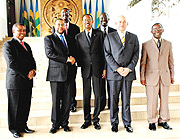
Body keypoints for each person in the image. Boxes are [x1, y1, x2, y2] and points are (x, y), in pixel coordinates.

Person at [104, 15, 139, 133]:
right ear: (116, 23)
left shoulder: (133, 37)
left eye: (124, 22)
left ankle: (127, 123)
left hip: (128, 74)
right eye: (119, 22)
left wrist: (129, 68)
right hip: (114, 74)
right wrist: (118, 68)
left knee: (126, 100)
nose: (122, 24)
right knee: (113, 100)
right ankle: (114, 123)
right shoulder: (109, 37)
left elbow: (136, 55)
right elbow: (107, 54)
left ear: (127, 23)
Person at [3, 23, 36, 138]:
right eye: (19, 30)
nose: (22, 32)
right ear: (13, 32)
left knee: (25, 105)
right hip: (15, 81)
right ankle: (14, 129)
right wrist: (26, 73)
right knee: (14, 107)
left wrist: (33, 70)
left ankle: (23, 126)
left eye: (23, 30)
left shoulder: (26, 45)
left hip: (27, 81)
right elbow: (12, 63)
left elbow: (32, 60)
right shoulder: (8, 45)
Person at [140, 23, 174, 131]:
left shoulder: (168, 44)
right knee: (152, 100)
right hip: (151, 77)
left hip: (165, 76)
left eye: (159, 29)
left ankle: (163, 120)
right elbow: (143, 62)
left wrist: (172, 75)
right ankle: (152, 121)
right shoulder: (146, 44)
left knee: (164, 100)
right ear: (151, 31)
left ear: (163, 30)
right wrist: (142, 77)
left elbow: (171, 61)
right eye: (154, 29)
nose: (157, 31)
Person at [44, 18, 76, 134]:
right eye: (58, 24)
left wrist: (74, 59)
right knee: (56, 100)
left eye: (62, 24)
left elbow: (75, 53)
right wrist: (67, 59)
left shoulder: (70, 39)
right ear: (55, 26)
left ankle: (65, 123)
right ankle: (55, 124)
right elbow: (50, 54)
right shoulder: (49, 38)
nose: (60, 26)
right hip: (56, 74)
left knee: (67, 101)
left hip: (69, 74)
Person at [75, 14, 106, 130]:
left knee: (98, 94)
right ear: (82, 22)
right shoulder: (78, 37)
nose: (87, 22)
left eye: (89, 20)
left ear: (92, 21)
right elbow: (78, 53)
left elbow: (104, 52)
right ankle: (87, 119)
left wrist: (104, 68)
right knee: (86, 95)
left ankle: (96, 119)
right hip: (86, 70)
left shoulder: (100, 34)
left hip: (98, 69)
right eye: (84, 20)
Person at [52, 8, 80, 112]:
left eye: (66, 13)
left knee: (72, 84)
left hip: (72, 62)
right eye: (63, 13)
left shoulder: (75, 28)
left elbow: (78, 45)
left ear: (69, 14)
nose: (65, 14)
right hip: (60, 63)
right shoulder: (55, 28)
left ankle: (72, 103)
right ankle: (62, 104)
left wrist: (75, 59)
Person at [97, 12, 116, 111]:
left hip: (112, 63)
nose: (103, 20)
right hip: (99, 64)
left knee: (111, 86)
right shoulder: (95, 32)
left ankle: (111, 104)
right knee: (100, 86)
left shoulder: (114, 31)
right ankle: (102, 104)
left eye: (105, 18)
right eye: (102, 18)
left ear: (109, 19)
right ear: (99, 20)